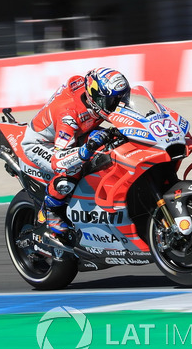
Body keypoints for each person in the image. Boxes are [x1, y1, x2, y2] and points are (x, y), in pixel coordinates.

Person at [21, 67, 131, 237]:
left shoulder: (92, 95)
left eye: (122, 97)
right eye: (113, 100)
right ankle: (49, 211)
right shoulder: (69, 118)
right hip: (42, 143)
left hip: (79, 132)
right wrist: (85, 151)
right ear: (96, 98)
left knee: (114, 144)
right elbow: (59, 160)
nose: (119, 103)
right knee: (71, 171)